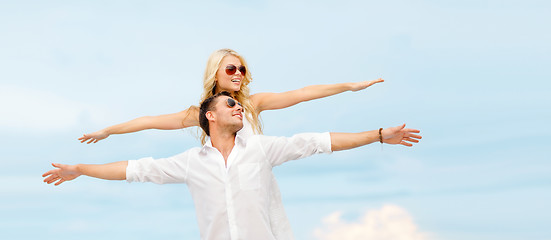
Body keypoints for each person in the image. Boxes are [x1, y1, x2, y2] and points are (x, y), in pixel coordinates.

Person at [44, 92, 422, 240]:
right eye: (230, 105)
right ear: (209, 116)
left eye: (239, 105)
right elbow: (134, 169)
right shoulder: (191, 163)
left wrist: (376, 134)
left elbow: (319, 142)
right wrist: (80, 168)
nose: (239, 107)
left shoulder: (261, 149)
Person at [77, 48, 384, 144]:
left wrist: (348, 86)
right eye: (232, 68)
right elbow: (149, 121)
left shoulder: (253, 104)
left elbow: (302, 94)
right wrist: (108, 130)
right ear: (216, 73)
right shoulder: (201, 113)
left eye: (242, 69)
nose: (239, 73)